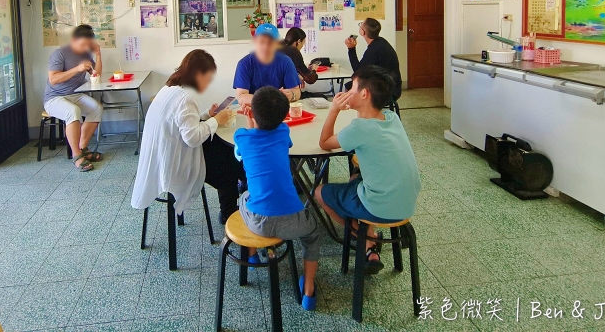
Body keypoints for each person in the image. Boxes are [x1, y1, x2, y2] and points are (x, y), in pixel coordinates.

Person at [315, 67, 420, 273]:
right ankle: (369, 243)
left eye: (352, 87)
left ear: (364, 94)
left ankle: (365, 238)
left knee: (319, 192)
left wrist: (334, 109)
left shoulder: (359, 128)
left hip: (380, 207)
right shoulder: (392, 118)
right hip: (407, 204)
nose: (348, 91)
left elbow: (324, 142)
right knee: (356, 176)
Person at [235, 87, 321, 310]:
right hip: (293, 220)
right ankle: (309, 290)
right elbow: (274, 139)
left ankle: (252, 254)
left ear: (252, 111)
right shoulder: (284, 132)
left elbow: (244, 147)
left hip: (259, 222)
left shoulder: (242, 137)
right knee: (312, 234)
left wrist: (249, 120)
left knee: (243, 196)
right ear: (284, 115)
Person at [131, 50, 237, 221]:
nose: (208, 84)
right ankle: (230, 214)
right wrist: (217, 119)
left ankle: (232, 207)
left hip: (162, 158)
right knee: (228, 168)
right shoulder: (185, 98)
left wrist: (207, 115)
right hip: (173, 166)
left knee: (217, 146)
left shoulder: (169, 89)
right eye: (208, 79)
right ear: (198, 74)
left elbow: (181, 123)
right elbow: (192, 138)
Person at [43, 24, 104, 171]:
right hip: (54, 98)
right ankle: (76, 155)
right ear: (73, 40)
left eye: (88, 45)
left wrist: (98, 54)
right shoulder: (60, 54)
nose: (85, 48)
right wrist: (77, 68)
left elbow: (96, 74)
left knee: (96, 108)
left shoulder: (85, 54)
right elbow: (53, 79)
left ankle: (82, 148)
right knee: (73, 111)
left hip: (75, 95)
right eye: (83, 44)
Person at [234, 23, 301, 105]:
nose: (265, 46)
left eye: (270, 42)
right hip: (254, 110)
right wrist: (270, 100)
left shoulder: (286, 61)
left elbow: (296, 91)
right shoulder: (244, 64)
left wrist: (291, 95)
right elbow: (241, 96)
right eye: (262, 41)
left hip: (280, 111)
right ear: (255, 41)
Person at [345, 18, 402, 101]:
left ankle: (353, 111)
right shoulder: (381, 42)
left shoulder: (374, 49)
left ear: (362, 32)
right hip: (390, 85)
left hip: (387, 90)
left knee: (353, 87)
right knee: (350, 85)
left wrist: (351, 49)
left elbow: (358, 72)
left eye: (361, 25)